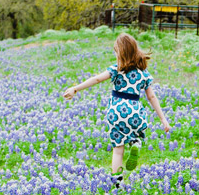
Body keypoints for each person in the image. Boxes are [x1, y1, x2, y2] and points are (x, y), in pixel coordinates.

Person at [63, 32, 170, 185]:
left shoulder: (116, 70)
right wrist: (163, 119)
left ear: (120, 53)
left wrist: (76, 88)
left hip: (116, 112)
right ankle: (135, 142)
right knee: (137, 129)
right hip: (133, 111)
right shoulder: (144, 74)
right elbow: (151, 97)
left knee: (118, 150)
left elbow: (97, 79)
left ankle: (117, 182)